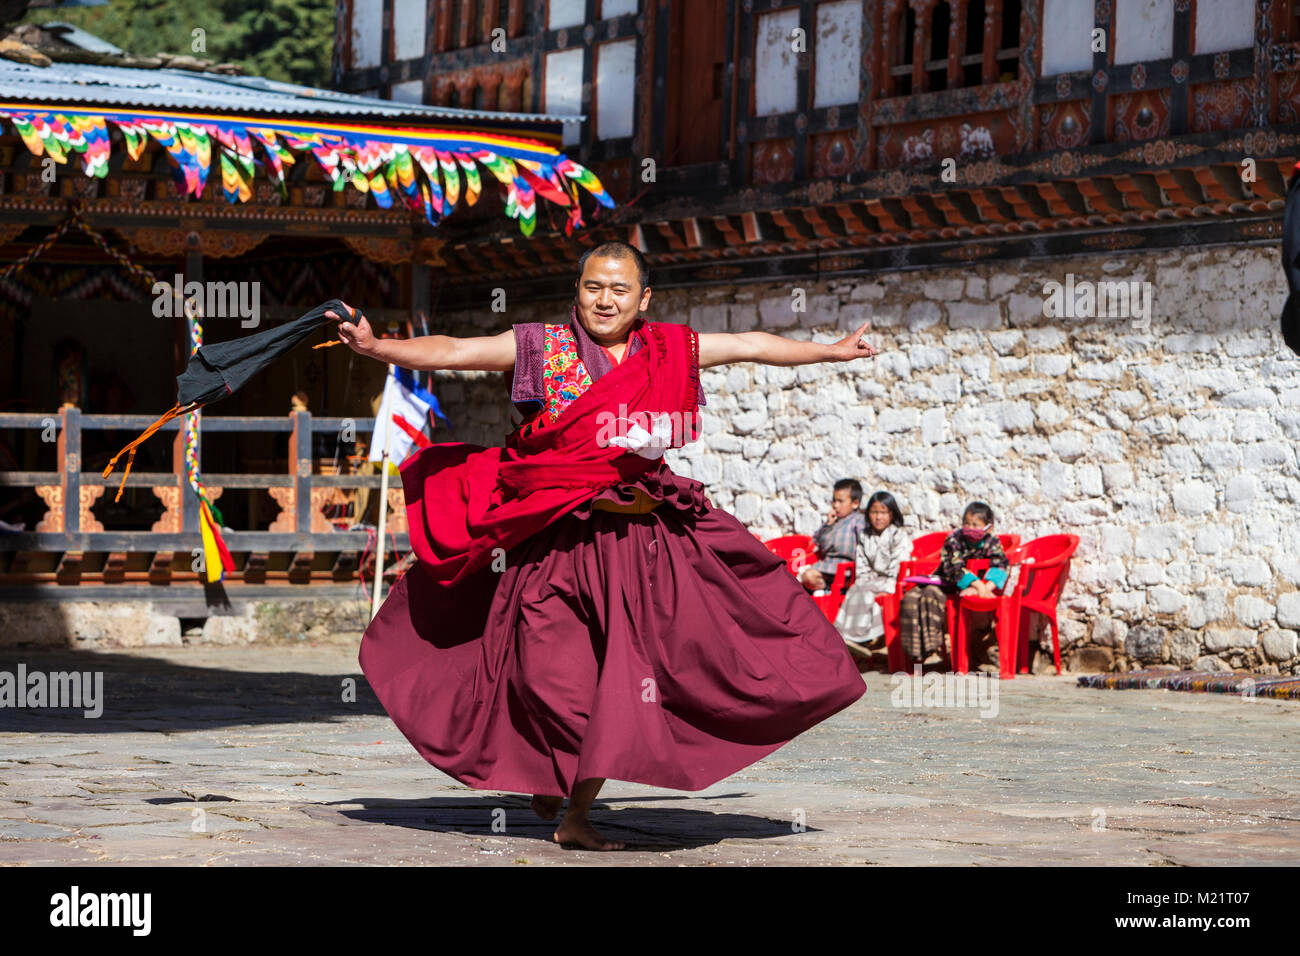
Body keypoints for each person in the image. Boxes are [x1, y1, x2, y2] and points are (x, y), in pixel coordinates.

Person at [328, 241, 879, 851]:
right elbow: (458, 351)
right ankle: (547, 765)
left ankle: (576, 813)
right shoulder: (543, 345)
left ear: (643, 299)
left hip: (641, 539)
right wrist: (378, 348)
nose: (605, 299)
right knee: (547, 671)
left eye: (619, 289)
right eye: (594, 287)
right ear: (578, 290)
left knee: (627, 670)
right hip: (555, 538)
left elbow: (752, 344)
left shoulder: (669, 347)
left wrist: (829, 352)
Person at [898, 501, 1009, 667]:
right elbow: (952, 565)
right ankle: (918, 653)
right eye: (967, 523)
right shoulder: (954, 538)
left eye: (975, 525)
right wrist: (977, 584)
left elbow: (1001, 566)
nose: (970, 528)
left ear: (989, 527)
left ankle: (932, 649)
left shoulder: (992, 543)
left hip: (974, 589)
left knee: (930, 595)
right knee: (910, 599)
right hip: (946, 582)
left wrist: (985, 588)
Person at [834, 490, 910, 657]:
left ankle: (860, 638)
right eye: (874, 512)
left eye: (883, 512)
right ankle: (846, 638)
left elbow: (898, 566)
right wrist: (864, 581)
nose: (878, 517)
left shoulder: (898, 535)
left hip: (891, 581)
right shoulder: (865, 536)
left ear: (892, 513)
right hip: (870, 580)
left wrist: (886, 587)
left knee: (867, 594)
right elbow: (861, 565)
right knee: (856, 589)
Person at [799, 479, 865, 593]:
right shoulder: (833, 521)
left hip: (847, 570)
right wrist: (828, 526)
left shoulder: (859, 521)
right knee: (808, 577)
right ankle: (826, 589)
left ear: (855, 503)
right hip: (827, 567)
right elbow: (817, 542)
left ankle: (833, 590)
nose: (835, 505)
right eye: (834, 501)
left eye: (840, 501)